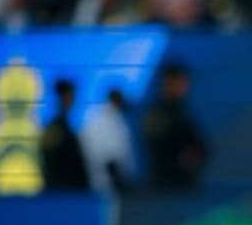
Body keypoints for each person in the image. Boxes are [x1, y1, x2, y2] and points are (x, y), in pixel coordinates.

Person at [142, 62, 208, 191]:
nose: (185, 86)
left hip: (182, 184)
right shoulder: (158, 112)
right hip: (167, 186)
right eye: (181, 81)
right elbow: (158, 147)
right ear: (168, 82)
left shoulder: (181, 110)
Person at [80, 88, 135, 193]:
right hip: (106, 170)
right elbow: (95, 147)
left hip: (115, 171)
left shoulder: (117, 117)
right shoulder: (99, 118)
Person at [39, 78, 90, 190]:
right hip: (62, 191)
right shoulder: (54, 129)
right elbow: (51, 164)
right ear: (63, 97)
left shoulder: (65, 126)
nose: (74, 100)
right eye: (71, 95)